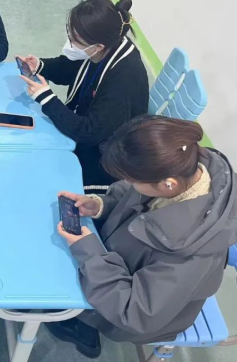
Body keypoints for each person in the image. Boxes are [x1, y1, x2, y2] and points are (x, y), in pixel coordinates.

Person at [51, 115, 237, 358]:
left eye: (133, 180)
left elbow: (134, 312)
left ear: (168, 185)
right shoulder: (183, 167)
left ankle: (84, 330)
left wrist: (89, 252)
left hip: (136, 316)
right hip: (117, 260)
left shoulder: (189, 255)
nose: (128, 183)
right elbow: (130, 194)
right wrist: (100, 205)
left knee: (55, 285)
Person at [17, 0, 149, 195]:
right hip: (91, 129)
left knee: (40, 180)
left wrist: (46, 99)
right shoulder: (109, 43)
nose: (70, 43)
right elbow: (75, 67)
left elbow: (88, 133)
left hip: (106, 156)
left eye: (76, 40)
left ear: (99, 46)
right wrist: (42, 66)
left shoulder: (124, 81)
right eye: (70, 34)